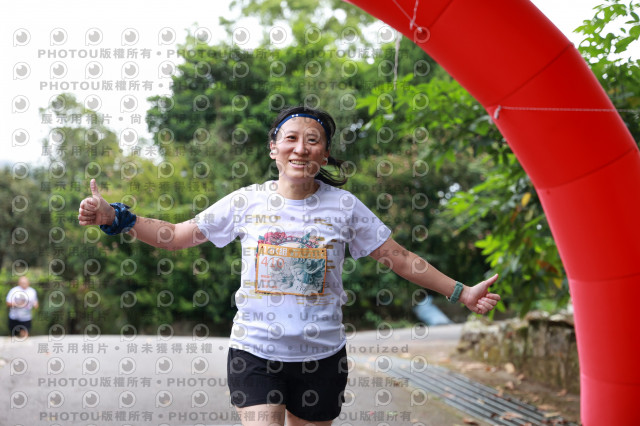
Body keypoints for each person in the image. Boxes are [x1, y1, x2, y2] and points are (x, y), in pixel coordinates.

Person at [77, 105, 500, 426]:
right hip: (255, 351)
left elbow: (400, 258)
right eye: (291, 138)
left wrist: (461, 292)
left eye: (312, 140)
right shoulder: (246, 202)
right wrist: (116, 218)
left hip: (322, 357)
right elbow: (177, 235)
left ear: (325, 154)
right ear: (274, 149)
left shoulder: (345, 207)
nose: (300, 148)